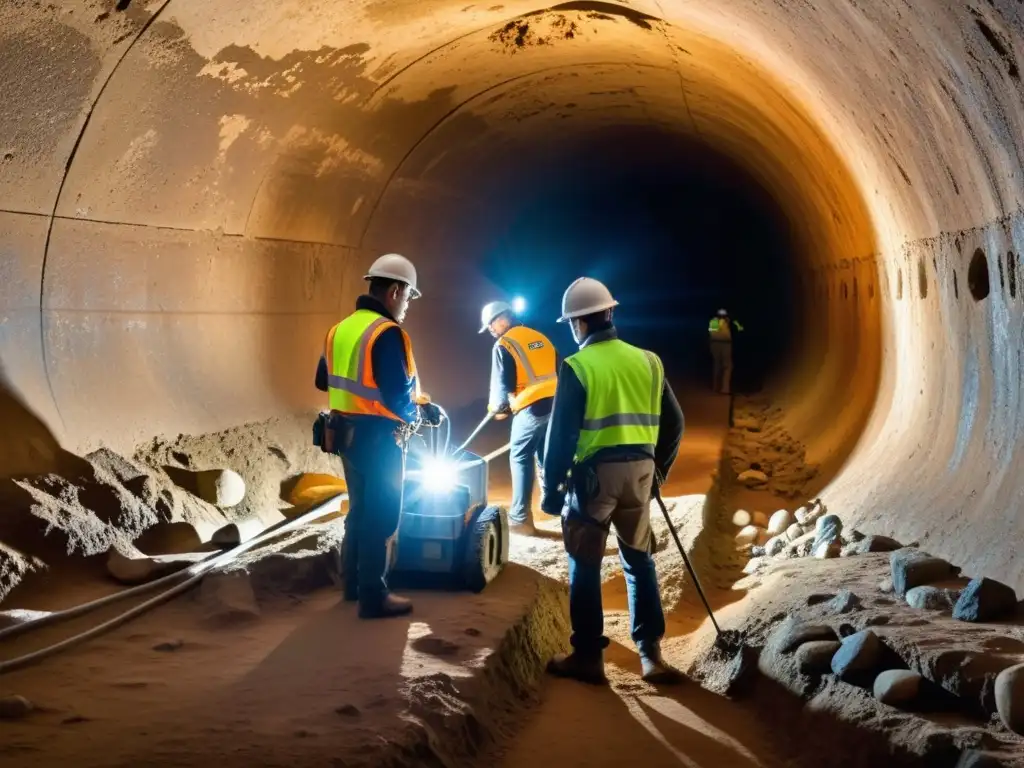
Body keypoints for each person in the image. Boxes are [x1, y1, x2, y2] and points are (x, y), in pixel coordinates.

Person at [540, 277, 685, 684]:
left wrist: (551, 491)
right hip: (639, 474)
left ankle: (587, 656)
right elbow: (675, 422)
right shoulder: (649, 361)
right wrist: (659, 470)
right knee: (639, 560)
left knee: (584, 563)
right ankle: (651, 655)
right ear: (610, 313)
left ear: (578, 324)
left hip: (594, 480)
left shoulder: (577, 366)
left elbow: (561, 437)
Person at [315, 253, 442, 619]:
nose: (406, 307)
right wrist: (420, 413)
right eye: (407, 298)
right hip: (380, 438)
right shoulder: (388, 334)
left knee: (358, 511)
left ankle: (352, 585)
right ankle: (374, 596)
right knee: (383, 516)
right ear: (395, 291)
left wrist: (411, 403)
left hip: (345, 435)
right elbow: (395, 396)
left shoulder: (340, 330)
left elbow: (324, 380)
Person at [479, 300, 560, 536]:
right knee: (546, 454)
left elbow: (501, 394)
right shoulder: (540, 338)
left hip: (531, 407)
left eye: (491, 325)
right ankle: (558, 505)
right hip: (558, 404)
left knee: (520, 455)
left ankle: (521, 519)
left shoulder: (504, 344)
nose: (492, 331)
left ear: (502, 318)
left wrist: (498, 409)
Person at [708, 308, 743, 395]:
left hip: (714, 344)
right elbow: (740, 329)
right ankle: (725, 388)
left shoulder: (713, 321)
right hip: (725, 344)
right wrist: (734, 322)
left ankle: (715, 387)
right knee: (727, 366)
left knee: (717, 365)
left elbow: (711, 333)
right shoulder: (728, 322)